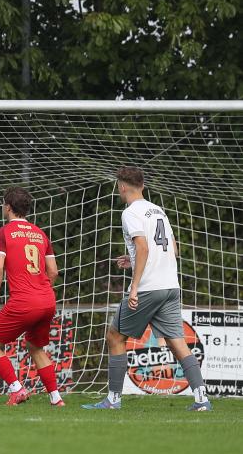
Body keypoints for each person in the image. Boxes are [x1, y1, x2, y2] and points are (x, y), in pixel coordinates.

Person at [83, 167, 211, 411]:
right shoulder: (158, 211)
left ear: (122, 186)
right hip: (170, 286)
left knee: (114, 336)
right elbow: (171, 249)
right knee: (177, 342)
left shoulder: (130, 212)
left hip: (148, 288)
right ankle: (201, 399)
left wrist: (133, 287)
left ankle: (113, 400)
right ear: (142, 185)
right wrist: (131, 259)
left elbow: (142, 247)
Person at [0, 187, 63, 407]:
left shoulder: (2, 233)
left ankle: (16, 389)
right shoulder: (40, 233)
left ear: (7, 207)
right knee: (36, 347)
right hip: (47, 299)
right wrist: (41, 290)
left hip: (24, 301)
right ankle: (56, 399)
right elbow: (53, 271)